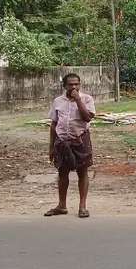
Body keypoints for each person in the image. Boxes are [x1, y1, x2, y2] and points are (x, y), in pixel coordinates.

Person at [45, 73, 96, 219]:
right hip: (62, 141)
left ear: (80, 85)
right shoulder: (58, 101)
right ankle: (62, 206)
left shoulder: (87, 99)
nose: (74, 87)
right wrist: (51, 147)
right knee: (62, 174)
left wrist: (78, 100)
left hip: (80, 140)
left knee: (82, 172)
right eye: (70, 84)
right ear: (64, 86)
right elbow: (54, 124)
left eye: (76, 84)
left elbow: (87, 118)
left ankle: (82, 207)